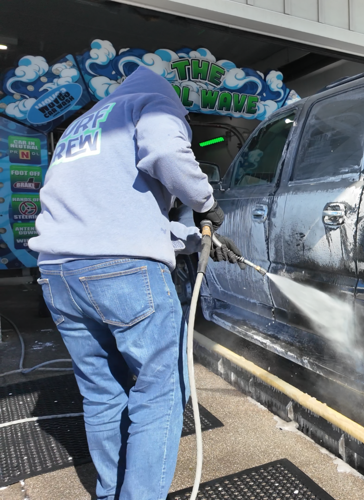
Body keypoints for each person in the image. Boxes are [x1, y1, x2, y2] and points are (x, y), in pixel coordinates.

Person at [29, 66, 242, 500]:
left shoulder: (80, 125)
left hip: (60, 274)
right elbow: (166, 153)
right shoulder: (153, 101)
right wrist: (205, 205)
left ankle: (111, 493)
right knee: (159, 393)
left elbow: (110, 213)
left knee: (102, 393)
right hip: (124, 277)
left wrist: (190, 239)